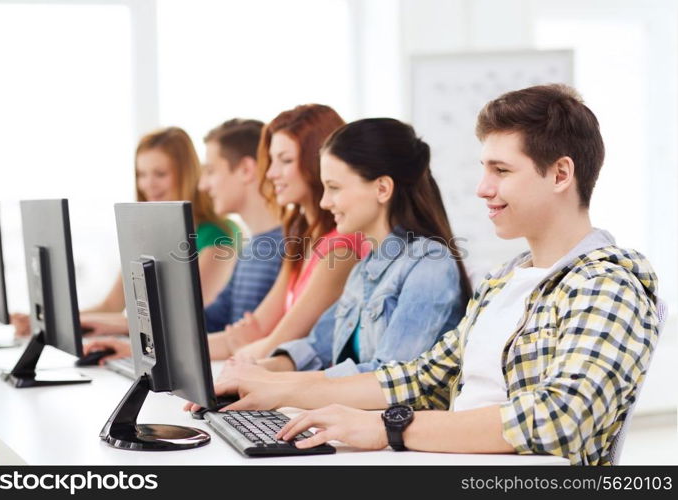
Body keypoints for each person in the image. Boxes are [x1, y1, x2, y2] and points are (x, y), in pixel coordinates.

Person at [210, 85, 660, 466]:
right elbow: (421, 377)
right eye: (484, 169)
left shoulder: (606, 284)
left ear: (561, 173)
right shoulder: (504, 281)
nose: (482, 188)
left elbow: (560, 418)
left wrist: (388, 428)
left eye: (501, 170)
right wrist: (275, 388)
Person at [216, 118, 471, 380]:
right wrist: (254, 371)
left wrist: (275, 383)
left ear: (382, 189)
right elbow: (316, 348)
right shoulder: (365, 269)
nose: (325, 202)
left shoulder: (430, 265)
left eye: (334, 188)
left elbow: (388, 379)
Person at [84, 119, 284, 361]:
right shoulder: (253, 248)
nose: (203, 184)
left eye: (210, 171)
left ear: (245, 170)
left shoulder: (282, 248)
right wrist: (134, 346)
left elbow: (250, 339)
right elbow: (210, 321)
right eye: (142, 174)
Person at [12, 126, 239, 336]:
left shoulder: (218, 235)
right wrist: (46, 321)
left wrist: (59, 324)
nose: (148, 184)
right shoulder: (148, 235)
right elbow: (112, 305)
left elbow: (185, 318)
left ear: (187, 174)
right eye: (141, 174)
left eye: (160, 174)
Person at [206, 104, 365, 361]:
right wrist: (149, 353)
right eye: (272, 160)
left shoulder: (341, 248)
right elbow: (256, 331)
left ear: (320, 162)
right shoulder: (300, 238)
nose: (270, 173)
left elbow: (278, 345)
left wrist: (244, 347)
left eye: (286, 160)